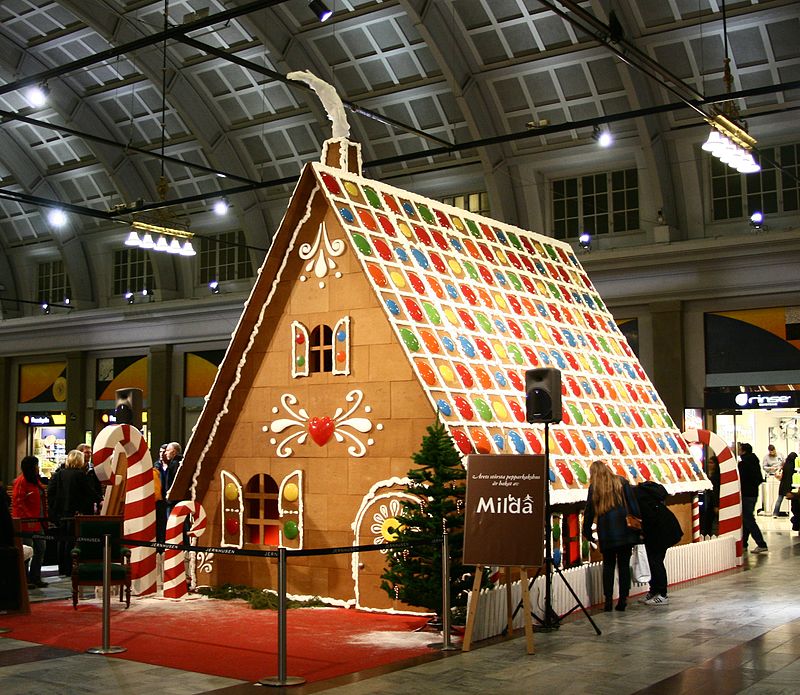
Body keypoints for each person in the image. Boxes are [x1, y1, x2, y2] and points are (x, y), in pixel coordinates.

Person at [582, 460, 641, 612]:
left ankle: (608, 600)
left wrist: (587, 531)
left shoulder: (595, 488)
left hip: (606, 532)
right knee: (623, 565)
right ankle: (623, 599)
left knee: (608, 566)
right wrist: (638, 520)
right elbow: (633, 504)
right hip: (625, 532)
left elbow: (589, 512)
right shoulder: (621, 482)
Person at [48, 449, 102, 575]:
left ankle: (62, 567)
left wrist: (55, 509)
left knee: (62, 540)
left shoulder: (59, 474)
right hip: (76, 513)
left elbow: (51, 492)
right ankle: (71, 567)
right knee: (73, 541)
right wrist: (100, 500)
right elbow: (89, 492)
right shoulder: (80, 475)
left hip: (62, 513)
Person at [635, 480, 683, 606]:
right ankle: (654, 591)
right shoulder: (642, 496)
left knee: (656, 561)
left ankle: (662, 594)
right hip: (662, 531)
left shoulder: (639, 499)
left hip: (661, 533)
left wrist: (642, 533)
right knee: (654, 561)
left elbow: (650, 519)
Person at [11, 456, 48, 588]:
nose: (38, 468)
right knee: (26, 551)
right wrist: (27, 518)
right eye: (36, 465)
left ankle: (35, 577)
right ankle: (24, 580)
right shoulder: (21, 481)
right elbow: (18, 503)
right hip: (26, 523)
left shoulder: (35, 481)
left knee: (40, 548)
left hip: (38, 521)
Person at [738, 442, 768, 553]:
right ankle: (744, 544)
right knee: (746, 519)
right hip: (753, 494)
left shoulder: (743, 464)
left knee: (748, 519)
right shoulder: (755, 462)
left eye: (740, 449)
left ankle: (761, 543)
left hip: (746, 494)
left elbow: (740, 480)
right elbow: (759, 478)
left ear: (743, 451)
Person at [78, 443, 103, 512]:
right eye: (86, 452)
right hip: (77, 502)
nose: (89, 455)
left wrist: (99, 501)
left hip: (89, 503)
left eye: (90, 453)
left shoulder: (93, 469)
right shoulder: (74, 469)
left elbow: (97, 487)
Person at [702, 455, 721, 536]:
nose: (709, 465)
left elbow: (716, 491)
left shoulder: (716, 476)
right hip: (712, 501)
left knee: (709, 520)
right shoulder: (712, 474)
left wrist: (716, 505)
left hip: (714, 502)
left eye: (711, 463)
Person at [773, 452, 796, 518]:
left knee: (779, 499)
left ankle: (775, 513)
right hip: (791, 484)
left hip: (783, 484)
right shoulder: (794, 466)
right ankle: (792, 513)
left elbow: (781, 475)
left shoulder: (784, 465)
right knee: (794, 499)